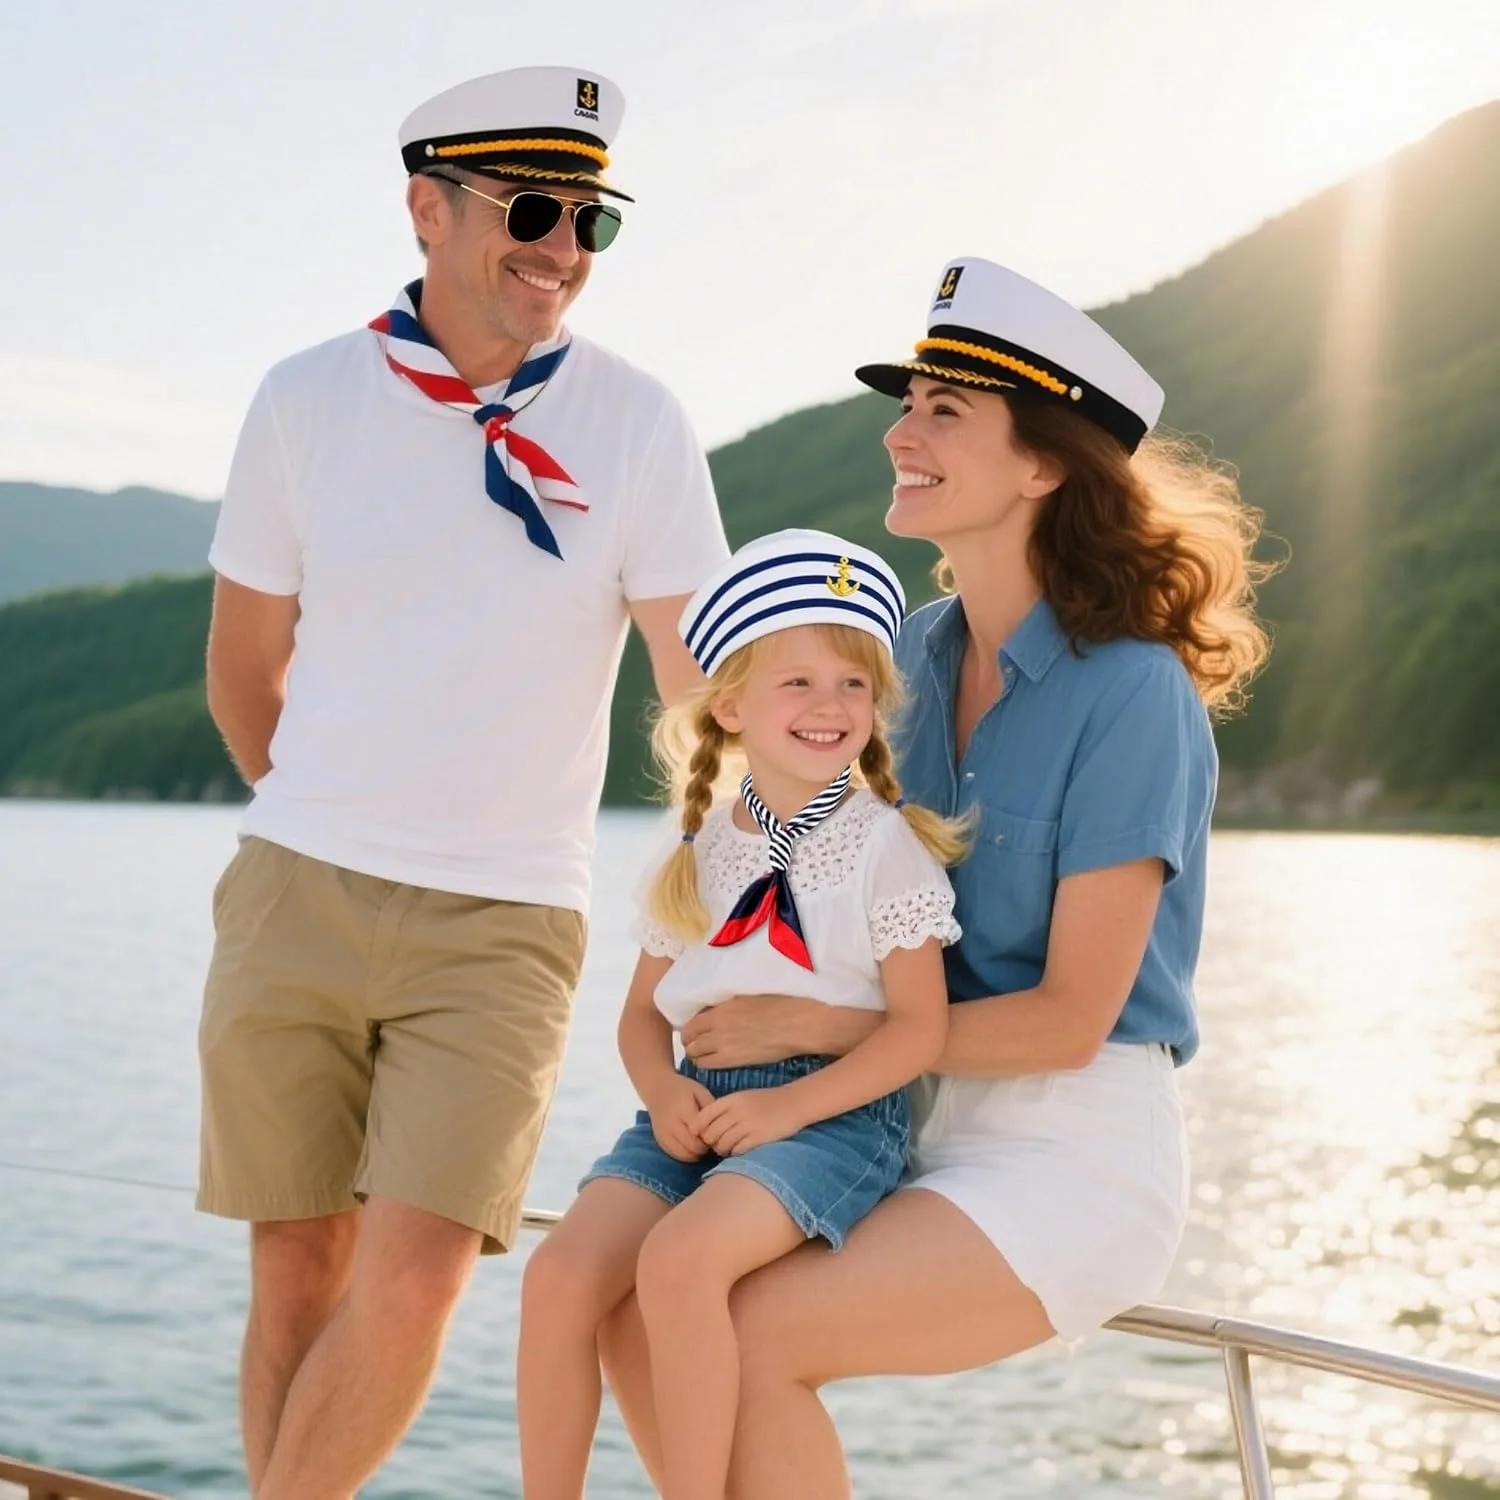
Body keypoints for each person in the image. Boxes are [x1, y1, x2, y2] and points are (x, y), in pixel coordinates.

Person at [596, 257, 1272, 1495]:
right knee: (641, 1312)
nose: (900, 435)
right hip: (885, 1118)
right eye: (906, 405)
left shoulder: (1133, 692)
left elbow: (1071, 1020)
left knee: (751, 1331)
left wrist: (826, 1027)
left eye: (943, 411)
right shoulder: (895, 662)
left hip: (1072, 1151)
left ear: (1044, 465)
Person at [196, 66, 727, 1499]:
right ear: (427, 209)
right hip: (298, 888)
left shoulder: (639, 422)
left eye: (591, 221)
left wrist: (761, 883)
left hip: (505, 919)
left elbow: (700, 693)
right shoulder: (303, 399)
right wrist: (327, 806)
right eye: (532, 210)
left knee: (420, 1276)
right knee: (295, 1264)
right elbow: (243, 666)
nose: (563, 248)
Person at [517, 529, 970, 1500]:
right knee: (557, 1277)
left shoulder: (884, 848)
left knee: (680, 1263)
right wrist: (661, 1092)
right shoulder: (698, 847)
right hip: (693, 1108)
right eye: (797, 683)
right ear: (731, 706)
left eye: (852, 684)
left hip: (832, 1120)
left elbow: (920, 1030)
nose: (830, 706)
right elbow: (643, 1017)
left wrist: (786, 1109)